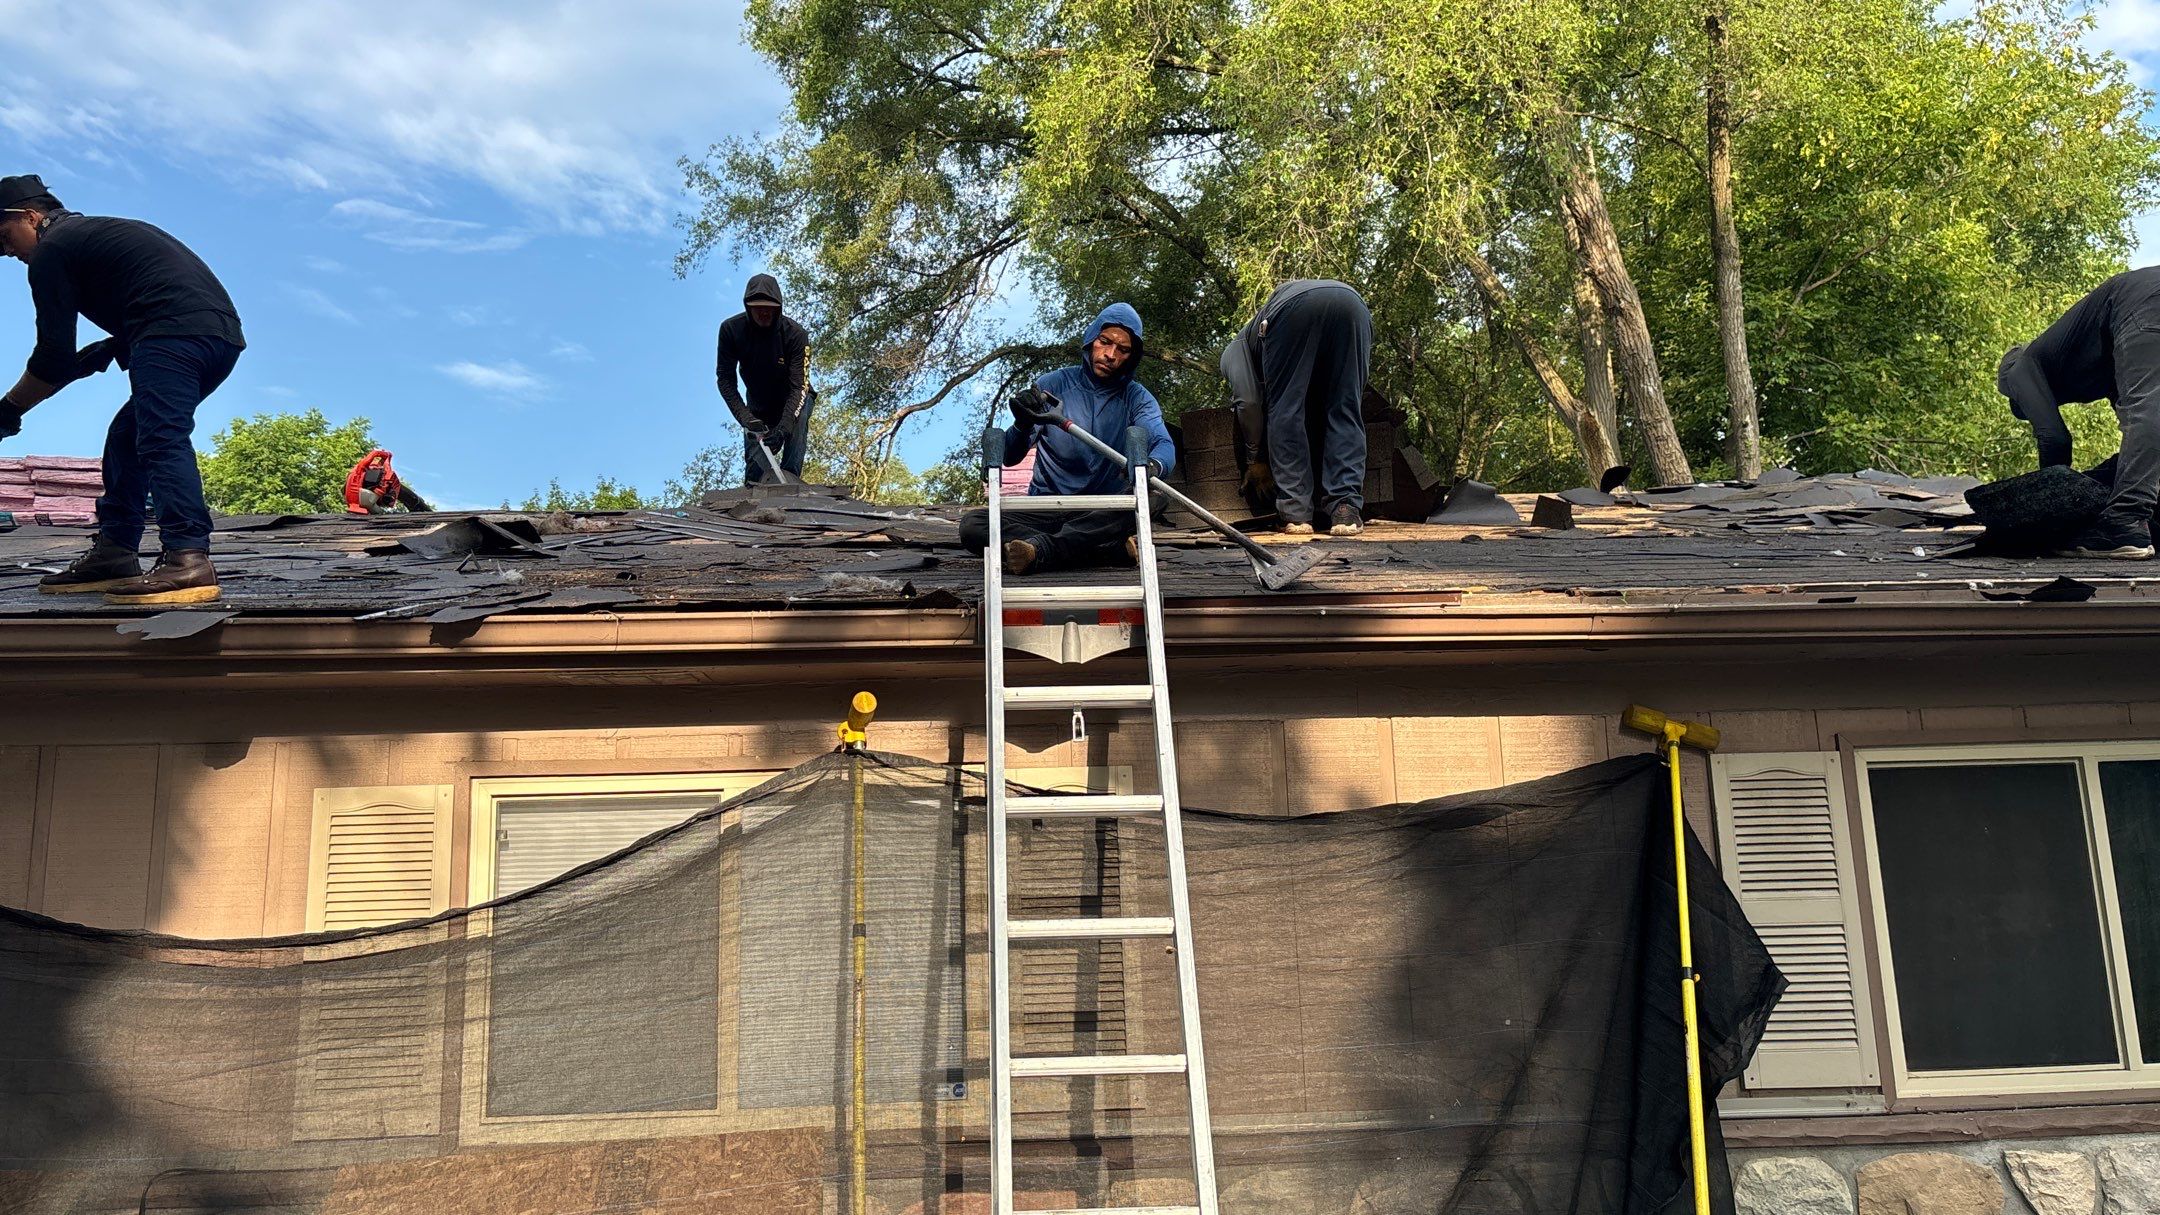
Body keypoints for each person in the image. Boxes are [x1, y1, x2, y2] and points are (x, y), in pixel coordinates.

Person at [0, 175, 245, 605]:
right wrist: (108, 348)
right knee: (127, 436)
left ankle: (187, 557)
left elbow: (52, 357)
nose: (7, 252)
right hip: (218, 339)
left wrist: (9, 408)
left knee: (159, 436)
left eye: (4, 237)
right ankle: (115, 552)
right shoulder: (95, 232)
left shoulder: (52, 250)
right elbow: (67, 360)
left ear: (31, 217)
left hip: (171, 334)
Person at [961, 303, 1175, 575]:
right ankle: (1102, 550)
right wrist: (1022, 424)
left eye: (1123, 350)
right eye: (1104, 341)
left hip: (1099, 513)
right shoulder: (1053, 385)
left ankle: (1042, 550)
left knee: (1156, 499)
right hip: (1044, 509)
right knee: (973, 525)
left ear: (1131, 357)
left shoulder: (1138, 398)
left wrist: (1152, 466)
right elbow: (1010, 456)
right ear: (1091, 339)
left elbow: (1163, 445)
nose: (1110, 355)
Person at [1998, 266, 2160, 559]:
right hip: (2144, 300)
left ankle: (2124, 521)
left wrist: (2052, 512)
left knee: (2146, 410)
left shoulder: (2020, 367)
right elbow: (2143, 439)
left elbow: (2055, 439)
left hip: (2142, 299)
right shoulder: (2103, 364)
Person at [1220, 279, 1373, 536]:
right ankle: (1345, 509)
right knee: (1345, 408)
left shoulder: (1233, 350)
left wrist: (1255, 459)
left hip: (1294, 308)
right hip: (1354, 305)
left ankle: (1295, 513)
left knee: (1286, 410)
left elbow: (1248, 401)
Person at [715, 273, 814, 485]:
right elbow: (725, 380)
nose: (764, 312)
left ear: (778, 307)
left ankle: (791, 480)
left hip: (792, 398)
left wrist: (783, 428)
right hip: (757, 405)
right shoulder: (731, 330)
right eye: (757, 307)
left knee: (800, 412)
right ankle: (754, 485)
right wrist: (745, 417)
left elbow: (799, 387)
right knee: (755, 472)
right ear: (748, 307)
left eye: (769, 307)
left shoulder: (796, 335)